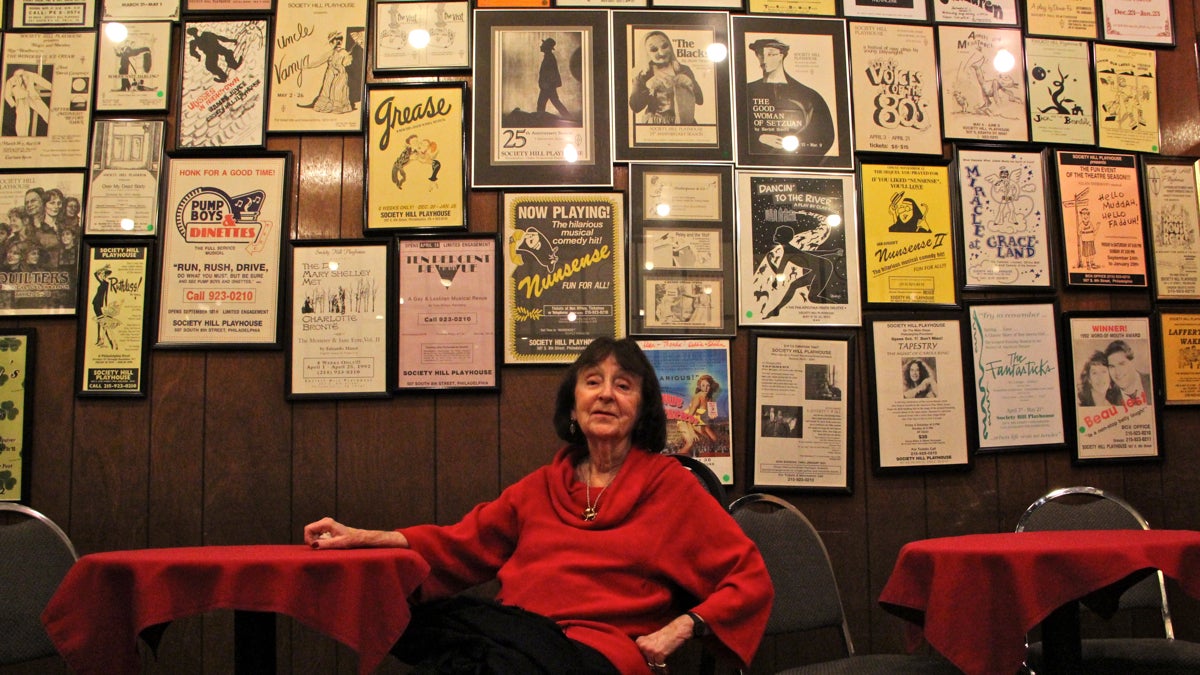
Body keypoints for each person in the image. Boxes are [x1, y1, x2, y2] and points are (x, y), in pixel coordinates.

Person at [304, 337, 773, 674]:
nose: (607, 393)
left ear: (642, 411)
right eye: (593, 382)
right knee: (411, 621)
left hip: (601, 651)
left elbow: (748, 578)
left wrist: (681, 628)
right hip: (513, 633)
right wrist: (367, 538)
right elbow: (459, 544)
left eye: (624, 385)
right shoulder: (539, 488)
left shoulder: (673, 489)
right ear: (573, 407)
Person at [745, 38, 834, 156]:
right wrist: (760, 138)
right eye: (761, 54)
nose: (765, 60)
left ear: (781, 55)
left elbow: (824, 137)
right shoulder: (746, 92)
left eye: (771, 54)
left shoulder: (810, 96)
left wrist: (796, 146)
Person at [761, 221, 837, 318]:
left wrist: (776, 280)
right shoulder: (788, 249)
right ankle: (777, 310)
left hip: (823, 267)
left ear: (782, 237)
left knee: (812, 297)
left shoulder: (788, 250)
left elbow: (781, 267)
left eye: (777, 234)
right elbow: (811, 254)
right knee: (794, 285)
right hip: (816, 270)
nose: (774, 235)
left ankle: (837, 306)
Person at [628, 31, 703, 125]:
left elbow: (700, 100)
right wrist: (648, 87)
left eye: (665, 46)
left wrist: (690, 84)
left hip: (684, 122)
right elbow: (635, 107)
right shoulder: (643, 75)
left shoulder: (683, 69)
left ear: (670, 47)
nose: (661, 52)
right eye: (654, 49)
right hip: (655, 125)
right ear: (646, 53)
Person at [297, 31, 354, 114]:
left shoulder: (344, 52)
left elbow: (346, 63)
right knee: (327, 90)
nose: (338, 42)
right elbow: (319, 61)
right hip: (330, 74)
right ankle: (325, 105)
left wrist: (346, 58)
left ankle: (338, 107)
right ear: (331, 42)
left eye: (340, 40)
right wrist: (306, 66)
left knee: (338, 89)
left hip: (340, 74)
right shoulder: (330, 53)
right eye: (335, 40)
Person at [677, 374, 720, 456]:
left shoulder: (710, 398)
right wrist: (692, 432)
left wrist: (711, 416)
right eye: (703, 385)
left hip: (697, 420)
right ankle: (676, 460)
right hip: (685, 420)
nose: (706, 388)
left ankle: (693, 456)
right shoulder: (698, 397)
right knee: (690, 442)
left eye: (708, 385)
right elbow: (688, 417)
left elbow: (709, 416)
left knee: (713, 438)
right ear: (700, 386)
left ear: (711, 386)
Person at [1105, 340, 1152, 405]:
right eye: (1112, 367)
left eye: (1121, 364)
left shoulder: (1151, 381)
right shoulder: (1108, 398)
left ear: (1132, 362)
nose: (1117, 372)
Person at [537, 38, 570, 118]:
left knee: (541, 103)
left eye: (543, 45)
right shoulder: (549, 57)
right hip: (548, 85)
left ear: (547, 47)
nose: (541, 46)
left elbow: (551, 73)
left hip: (547, 86)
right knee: (554, 101)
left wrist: (546, 85)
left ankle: (539, 120)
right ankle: (568, 117)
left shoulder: (549, 57)